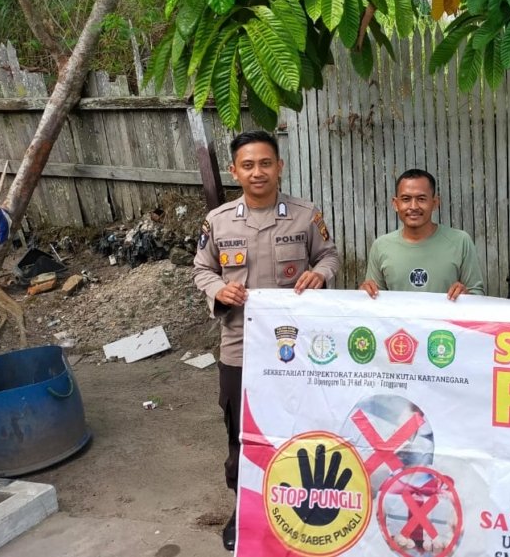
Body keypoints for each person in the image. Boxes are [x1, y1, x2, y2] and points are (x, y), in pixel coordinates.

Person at [193, 130, 339, 551]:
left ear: (279, 167)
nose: (257, 172)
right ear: (234, 171)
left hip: (296, 349)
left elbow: (329, 255)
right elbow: (202, 269)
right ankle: (243, 509)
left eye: (265, 163)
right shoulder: (218, 221)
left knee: (299, 427)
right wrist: (219, 289)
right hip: (240, 347)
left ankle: (300, 503)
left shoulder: (305, 216)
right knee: (241, 432)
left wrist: (320, 274)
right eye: (248, 165)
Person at [360, 169, 484, 299]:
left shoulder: (460, 241)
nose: (413, 206)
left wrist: (466, 295)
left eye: (421, 199)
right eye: (406, 199)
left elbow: (477, 296)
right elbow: (374, 302)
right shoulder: (381, 246)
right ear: (396, 204)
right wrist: (364, 294)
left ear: (435, 203)